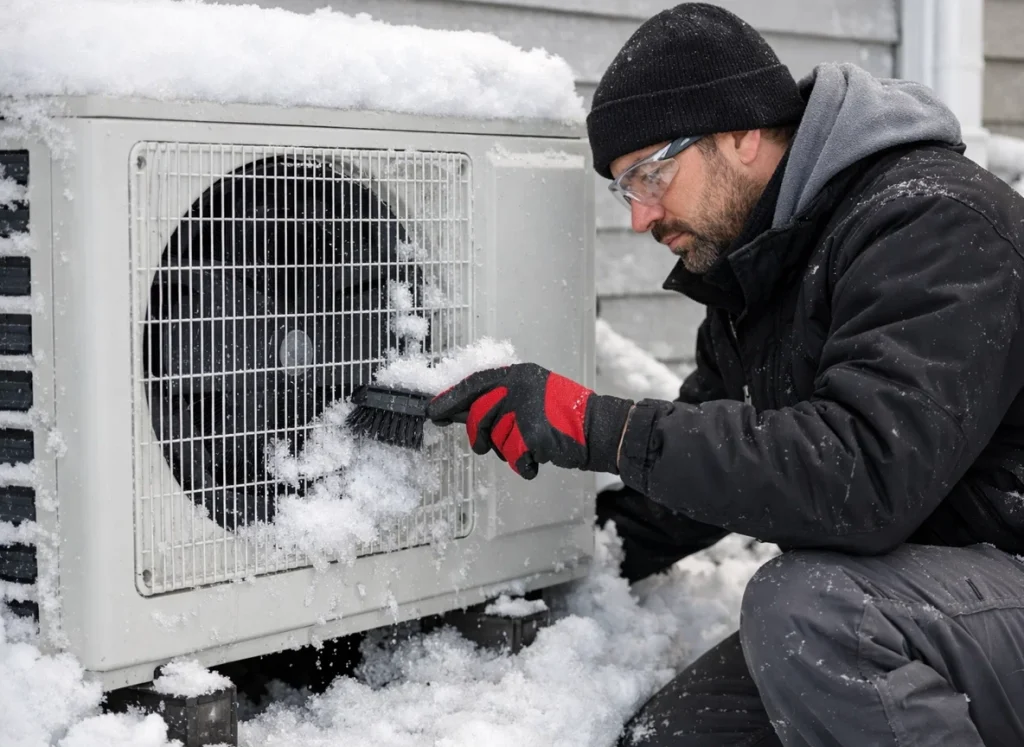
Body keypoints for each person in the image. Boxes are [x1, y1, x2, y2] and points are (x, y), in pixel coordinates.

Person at [426, 3, 1024, 745]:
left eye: (652, 174)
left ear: (741, 133)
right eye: (625, 189)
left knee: (807, 609)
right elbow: (697, 489)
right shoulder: (762, 267)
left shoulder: (932, 221)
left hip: (998, 583)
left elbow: (865, 479)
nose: (640, 217)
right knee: (673, 733)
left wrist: (596, 425)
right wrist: (551, 568)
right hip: (921, 601)